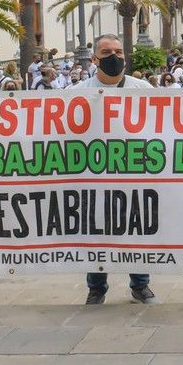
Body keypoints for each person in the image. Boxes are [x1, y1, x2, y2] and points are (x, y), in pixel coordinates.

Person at [73, 34, 159, 305]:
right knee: (94, 232)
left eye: (119, 51)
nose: (114, 56)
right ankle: (96, 287)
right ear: (94, 59)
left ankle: (140, 284)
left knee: (137, 229)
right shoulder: (76, 94)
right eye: (106, 51)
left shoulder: (143, 89)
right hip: (92, 177)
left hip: (135, 174)